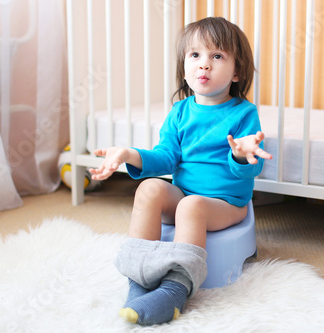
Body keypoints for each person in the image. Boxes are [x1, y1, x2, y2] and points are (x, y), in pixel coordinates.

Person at [89, 17, 272, 326]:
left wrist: (241, 155)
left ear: (237, 72)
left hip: (225, 203)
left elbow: (250, 170)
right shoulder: (180, 112)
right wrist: (128, 154)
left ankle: (176, 289)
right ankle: (139, 282)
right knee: (148, 188)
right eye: (195, 55)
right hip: (185, 194)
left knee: (191, 205)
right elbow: (165, 157)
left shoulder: (244, 113)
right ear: (184, 66)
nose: (204, 65)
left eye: (217, 56)